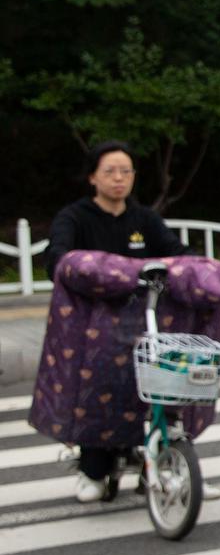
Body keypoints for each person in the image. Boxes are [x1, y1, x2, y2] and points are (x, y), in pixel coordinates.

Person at [45, 141, 192, 503]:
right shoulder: (75, 218)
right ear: (93, 177)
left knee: (170, 374)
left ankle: (168, 459)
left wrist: (199, 268)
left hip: (143, 318)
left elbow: (175, 252)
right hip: (91, 324)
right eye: (109, 171)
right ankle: (93, 468)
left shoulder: (144, 219)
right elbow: (58, 260)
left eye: (125, 171)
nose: (118, 178)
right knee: (98, 382)